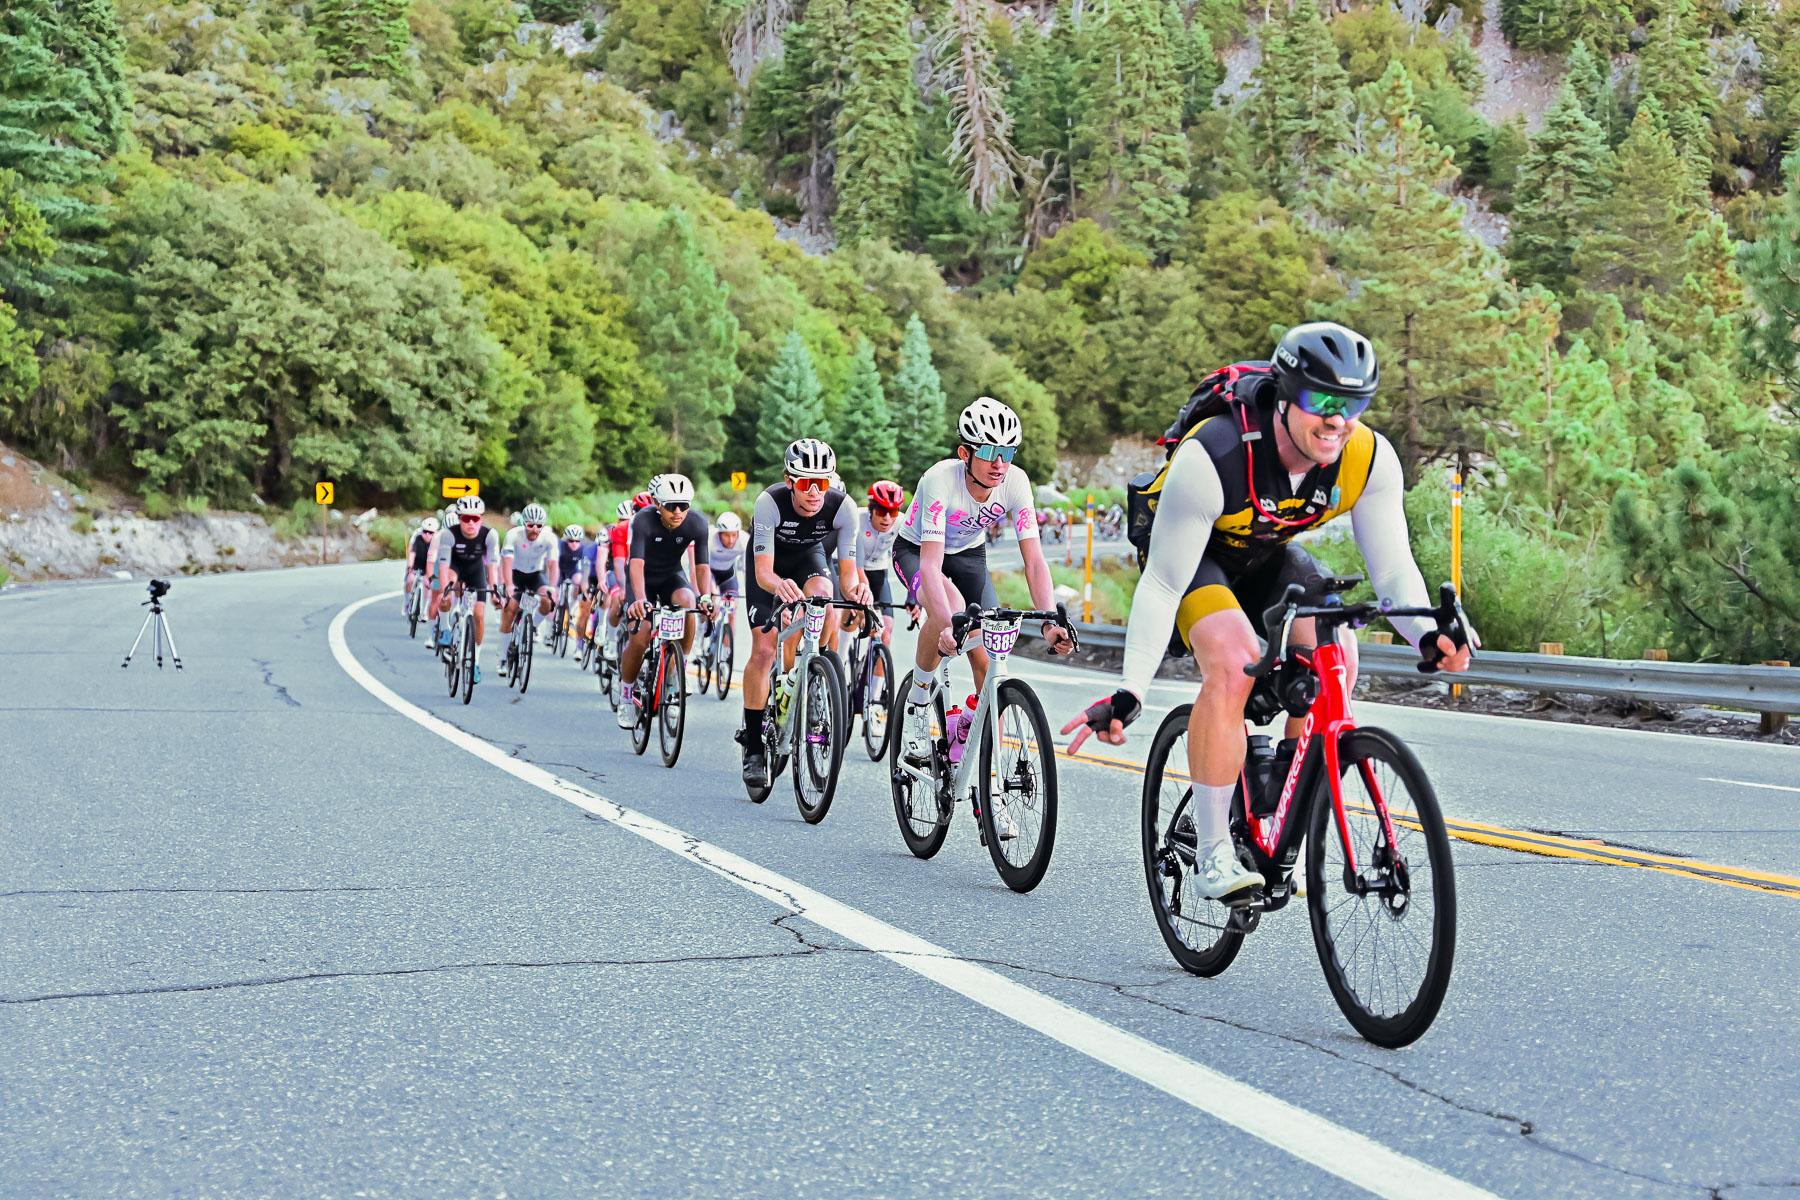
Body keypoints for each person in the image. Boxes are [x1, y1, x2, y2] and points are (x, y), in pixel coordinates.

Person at [1062, 321, 1476, 900]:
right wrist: (1132, 690)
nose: (1338, 420)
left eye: (1354, 405)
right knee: (1234, 662)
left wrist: (1430, 636)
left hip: (1265, 559)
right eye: (1322, 401)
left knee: (1337, 653)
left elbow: (1392, 573)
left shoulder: (1368, 459)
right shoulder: (1216, 455)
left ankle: (1280, 795)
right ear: (1285, 394)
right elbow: (1160, 585)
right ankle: (1212, 853)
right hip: (1194, 562)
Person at [893, 397, 1074, 782]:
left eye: (1007, 452)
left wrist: (1049, 621)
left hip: (969, 553)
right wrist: (945, 625)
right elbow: (929, 563)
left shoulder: (1016, 482)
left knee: (988, 647)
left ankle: (983, 761)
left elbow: (1035, 561)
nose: (999, 463)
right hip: (917, 550)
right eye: (990, 452)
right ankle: (917, 703)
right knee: (952, 610)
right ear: (965, 453)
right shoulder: (940, 479)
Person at [738, 439, 866, 788]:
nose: (814, 492)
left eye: (822, 483)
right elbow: (764, 572)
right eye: (806, 482)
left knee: (825, 600)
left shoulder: (844, 507)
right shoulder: (769, 502)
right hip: (770, 568)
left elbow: (849, 573)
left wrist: (858, 592)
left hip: (809, 558)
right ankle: (752, 747)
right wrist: (779, 585)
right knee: (764, 652)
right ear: (789, 479)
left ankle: (810, 672)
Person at [618, 474, 714, 729]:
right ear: (656, 503)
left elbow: (702, 568)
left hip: (671, 576)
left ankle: (677, 671)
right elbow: (636, 565)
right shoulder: (643, 520)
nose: (678, 511)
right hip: (642, 581)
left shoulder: (697, 524)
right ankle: (626, 695)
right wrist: (639, 599)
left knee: (688, 601)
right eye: (671, 505)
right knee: (641, 635)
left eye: (684, 505)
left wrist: (705, 597)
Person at [434, 495, 502, 682]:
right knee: (447, 589)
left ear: (481, 518)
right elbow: (443, 565)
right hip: (455, 568)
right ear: (459, 518)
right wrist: (443, 592)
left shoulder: (490, 535)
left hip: (476, 571)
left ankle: (475, 661)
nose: (471, 523)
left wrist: (495, 590)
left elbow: (492, 566)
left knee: (479, 615)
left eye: (475, 518)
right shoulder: (449, 534)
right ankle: (446, 629)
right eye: (466, 518)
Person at [500, 503, 559, 675]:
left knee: (547, 602)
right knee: (510, 608)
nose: (534, 529)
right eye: (530, 525)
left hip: (534, 575)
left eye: (538, 526)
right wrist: (509, 585)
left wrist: (552, 587)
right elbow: (507, 562)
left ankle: (533, 627)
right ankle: (502, 658)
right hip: (515, 574)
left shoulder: (549, 538)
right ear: (524, 523)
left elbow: (553, 565)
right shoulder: (513, 535)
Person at [403, 517, 438, 616]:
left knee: (428, 584)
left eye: (431, 533)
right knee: (410, 580)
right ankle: (407, 601)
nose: (427, 535)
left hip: (430, 564)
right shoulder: (418, 538)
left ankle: (425, 609)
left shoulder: (437, 541)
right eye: (425, 532)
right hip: (418, 562)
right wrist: (410, 567)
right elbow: (412, 553)